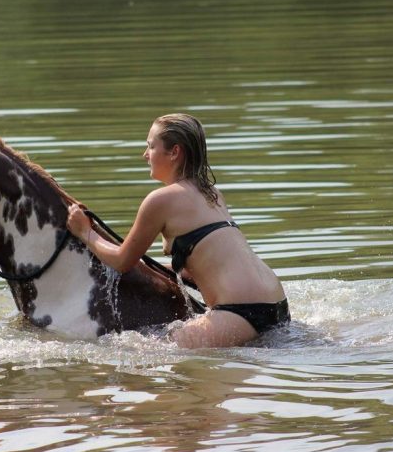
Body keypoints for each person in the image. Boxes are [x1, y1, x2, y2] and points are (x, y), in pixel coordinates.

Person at [66, 113, 288, 348]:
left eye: (151, 146)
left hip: (238, 314)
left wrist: (85, 232)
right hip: (278, 304)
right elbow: (208, 265)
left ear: (174, 152)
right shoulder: (212, 193)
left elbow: (122, 261)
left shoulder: (160, 200)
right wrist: (157, 271)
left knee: (149, 350)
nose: (145, 154)